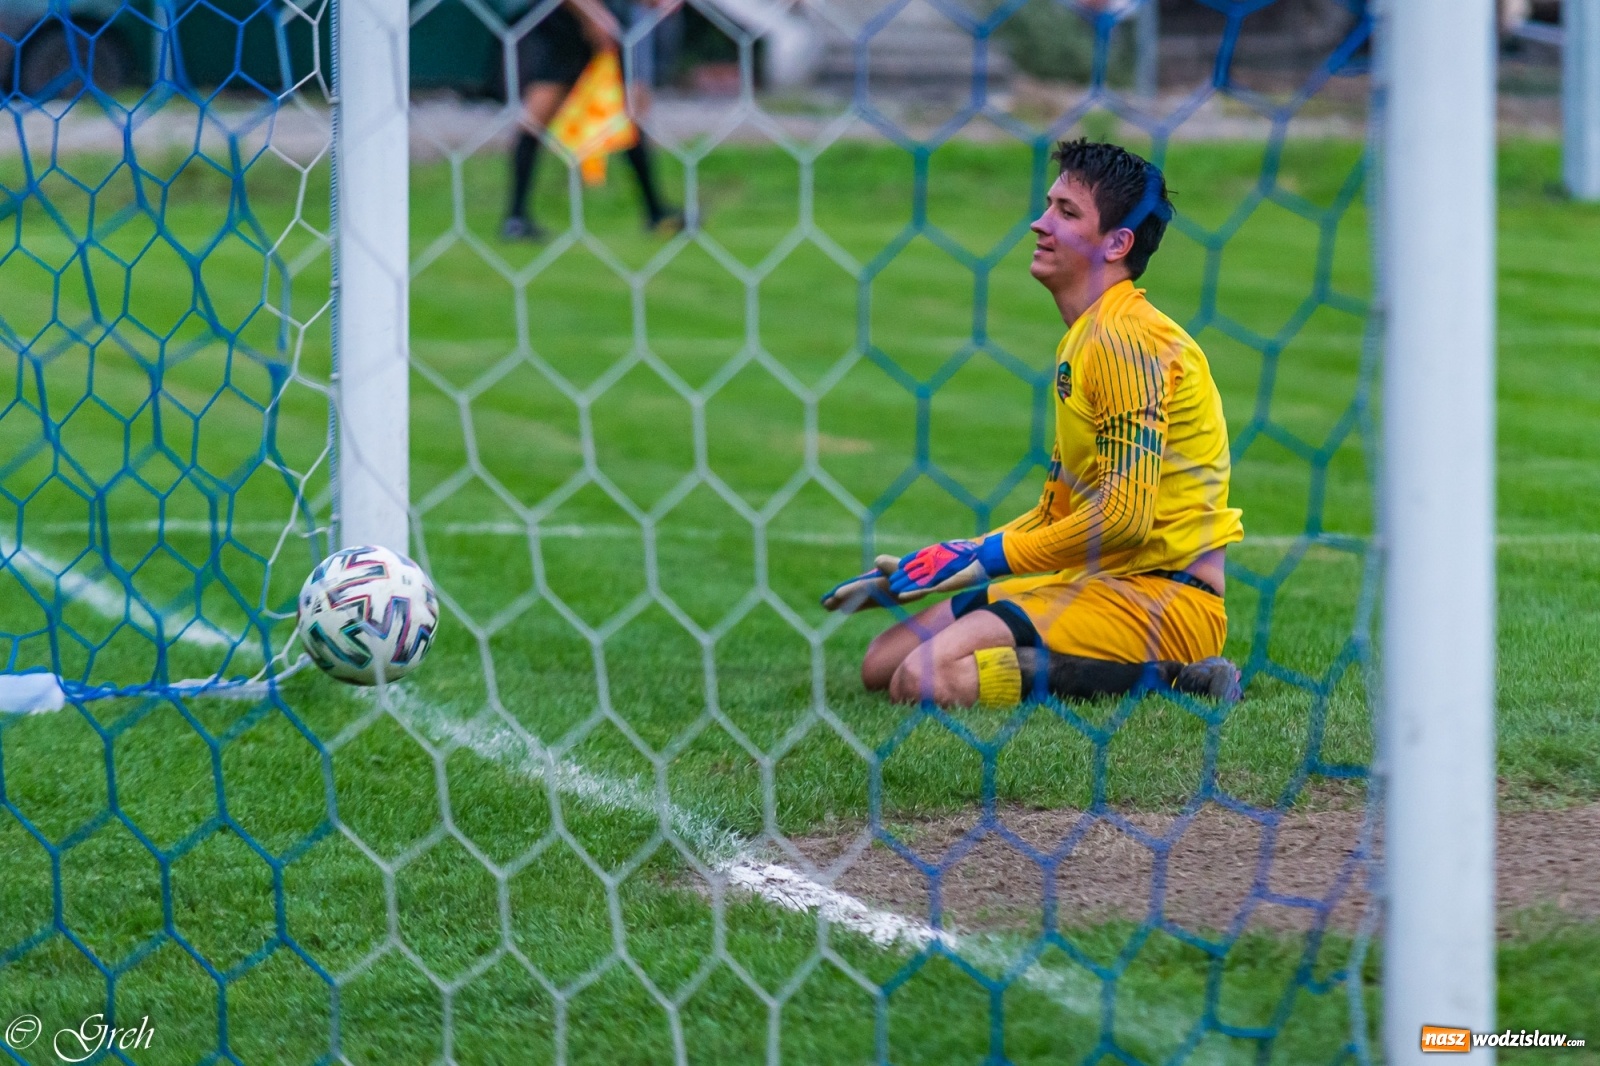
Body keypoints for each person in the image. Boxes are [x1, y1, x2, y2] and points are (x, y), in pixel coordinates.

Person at [822, 139, 1244, 708]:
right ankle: (1076, 659)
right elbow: (1058, 515)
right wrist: (950, 559)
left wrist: (989, 560)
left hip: (1164, 600)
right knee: (883, 661)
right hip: (1096, 582)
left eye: (1066, 213)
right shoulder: (1087, 339)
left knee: (925, 677)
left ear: (1118, 243)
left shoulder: (1126, 341)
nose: (1039, 223)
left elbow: (1124, 519)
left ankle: (1176, 676)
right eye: (1049, 205)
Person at [503, 0, 682, 240]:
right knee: (540, 112)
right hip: (566, 21)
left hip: (601, 20)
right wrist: (593, 15)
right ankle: (515, 218)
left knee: (624, 112)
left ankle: (656, 212)